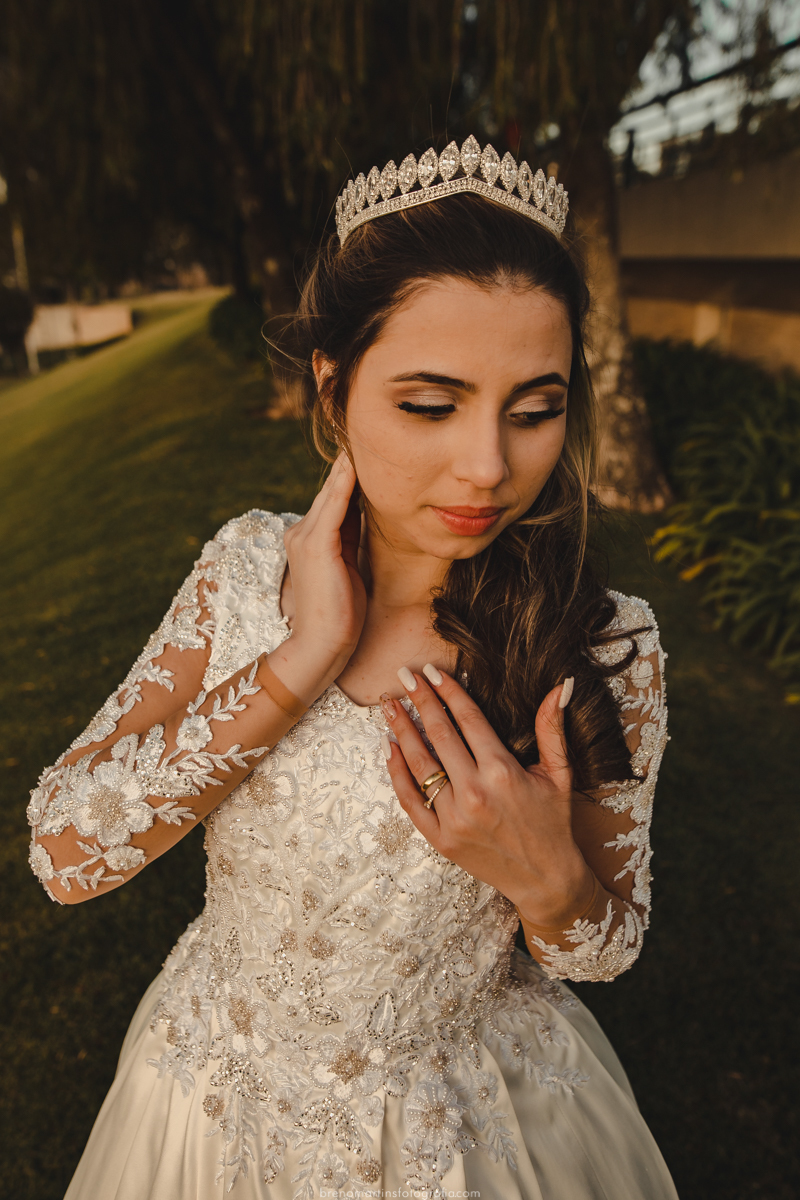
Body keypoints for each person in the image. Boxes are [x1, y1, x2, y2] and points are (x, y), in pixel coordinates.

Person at [28, 136, 677, 1200]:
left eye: (534, 408)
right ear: (333, 388)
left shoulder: (603, 642)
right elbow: (65, 853)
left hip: (460, 1122)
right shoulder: (247, 575)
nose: (487, 466)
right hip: (215, 1095)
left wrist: (541, 876)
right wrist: (297, 663)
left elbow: (600, 948)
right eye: (429, 404)